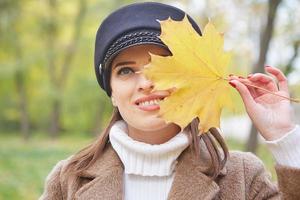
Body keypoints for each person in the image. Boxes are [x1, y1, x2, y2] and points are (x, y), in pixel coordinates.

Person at [40, 2, 300, 200]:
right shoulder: (69, 180)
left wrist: (283, 138)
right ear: (112, 93)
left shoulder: (243, 176)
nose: (146, 82)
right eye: (126, 71)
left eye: (161, 66)